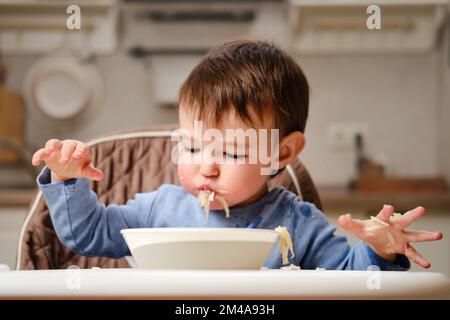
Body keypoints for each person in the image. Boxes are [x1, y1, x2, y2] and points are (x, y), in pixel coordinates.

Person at [32, 40, 442, 270]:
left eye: (230, 151)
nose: (205, 164)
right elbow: (85, 235)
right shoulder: (158, 209)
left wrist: (381, 251)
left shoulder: (298, 225)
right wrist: (68, 181)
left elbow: (349, 279)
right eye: (191, 146)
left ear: (283, 152)